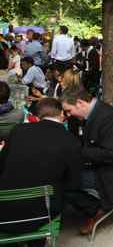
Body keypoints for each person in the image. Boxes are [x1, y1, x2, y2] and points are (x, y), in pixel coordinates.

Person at [0, 98, 82, 235]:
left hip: (4, 213)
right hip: (42, 216)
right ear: (62, 113)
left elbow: (1, 165)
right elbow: (74, 184)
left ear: (37, 116)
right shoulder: (71, 141)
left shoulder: (18, 130)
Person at [61, 88, 113, 235]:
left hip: (112, 174)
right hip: (101, 166)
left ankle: (94, 209)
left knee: (61, 181)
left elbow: (112, 155)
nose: (68, 115)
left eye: (69, 111)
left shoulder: (108, 118)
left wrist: (78, 153)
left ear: (80, 103)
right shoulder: (95, 113)